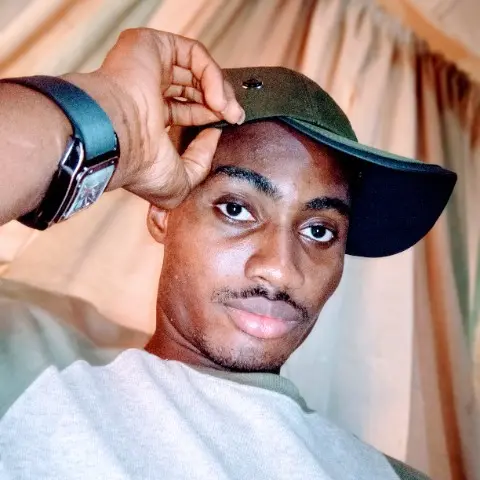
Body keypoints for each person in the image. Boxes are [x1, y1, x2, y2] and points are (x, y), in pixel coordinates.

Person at [0, 28, 456, 479]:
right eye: (236, 209)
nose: (279, 270)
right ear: (163, 212)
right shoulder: (27, 374)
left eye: (318, 231)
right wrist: (114, 108)